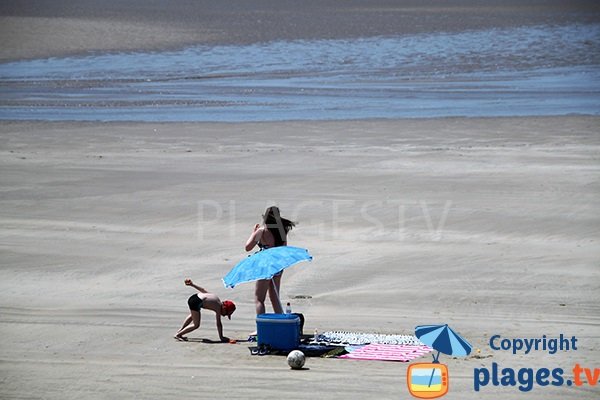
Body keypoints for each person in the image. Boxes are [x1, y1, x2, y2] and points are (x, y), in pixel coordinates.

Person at [245, 206, 295, 315]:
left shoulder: (262, 231)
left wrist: (254, 232)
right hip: (277, 264)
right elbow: (284, 248)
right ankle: (281, 321)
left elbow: (247, 247)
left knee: (259, 299)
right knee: (274, 296)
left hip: (265, 265)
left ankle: (261, 326)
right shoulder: (281, 231)